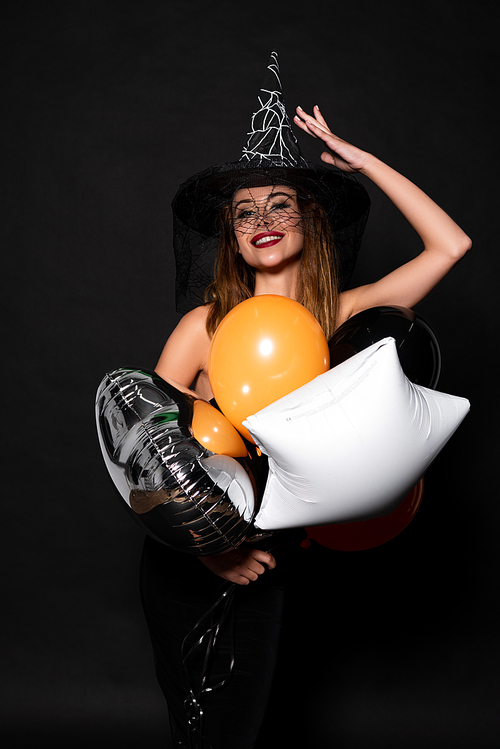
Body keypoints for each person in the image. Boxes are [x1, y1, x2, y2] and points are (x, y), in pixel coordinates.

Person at [139, 53, 471, 749]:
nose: (261, 219)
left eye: (279, 204)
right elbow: (146, 446)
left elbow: (451, 245)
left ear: (309, 219)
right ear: (230, 235)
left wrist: (362, 161)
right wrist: (207, 552)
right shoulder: (204, 326)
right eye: (243, 213)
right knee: (206, 732)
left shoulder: (345, 319)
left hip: (276, 558)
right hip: (193, 558)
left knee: (246, 728)